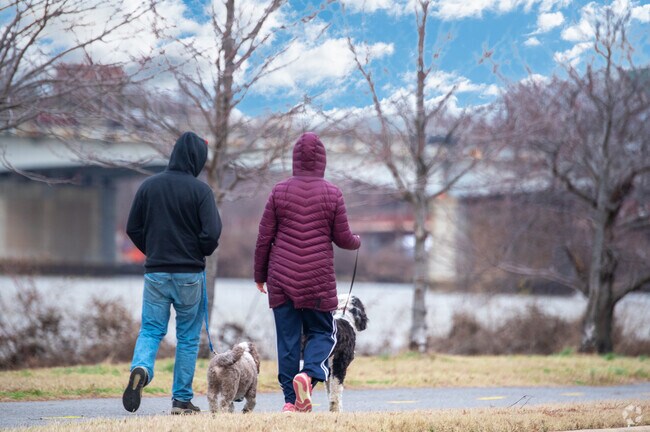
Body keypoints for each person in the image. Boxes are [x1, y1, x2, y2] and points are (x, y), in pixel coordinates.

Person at [254, 132, 361, 413]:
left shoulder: (279, 191)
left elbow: (264, 237)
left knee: (288, 340)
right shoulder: (333, 193)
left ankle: (290, 401)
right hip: (317, 279)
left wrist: (259, 275)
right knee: (324, 332)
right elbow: (343, 238)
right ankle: (310, 373)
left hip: (281, 278)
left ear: (295, 160)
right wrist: (357, 241)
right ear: (322, 161)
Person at [122, 131, 222, 415]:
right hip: (190, 273)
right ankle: (181, 400)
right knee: (188, 337)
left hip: (156, 272)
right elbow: (212, 233)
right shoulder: (201, 191)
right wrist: (199, 250)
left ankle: (141, 367)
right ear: (196, 159)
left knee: (152, 329)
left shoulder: (148, 186)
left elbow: (133, 227)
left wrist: (152, 250)